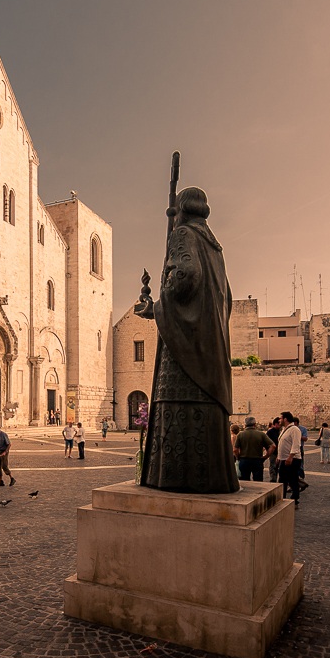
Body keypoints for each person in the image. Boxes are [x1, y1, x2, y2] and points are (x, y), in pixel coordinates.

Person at [134, 187, 239, 494]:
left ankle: (174, 480)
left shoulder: (182, 234)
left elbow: (185, 276)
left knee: (175, 407)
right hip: (209, 346)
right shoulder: (214, 248)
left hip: (183, 352)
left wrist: (158, 305)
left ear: (180, 210)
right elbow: (225, 298)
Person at [233, 417, 273, 481]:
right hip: (257, 460)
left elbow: (235, 449)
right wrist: (265, 457)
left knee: (244, 481)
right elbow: (273, 446)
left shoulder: (240, 434)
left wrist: (238, 457)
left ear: (245, 425)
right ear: (255, 424)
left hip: (244, 460)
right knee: (258, 481)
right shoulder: (261, 434)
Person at [278, 413, 302, 501]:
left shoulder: (294, 429)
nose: (279, 420)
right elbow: (281, 443)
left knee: (292, 479)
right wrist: (279, 457)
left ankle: (295, 499)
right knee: (282, 479)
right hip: (284, 459)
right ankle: (282, 497)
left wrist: (290, 457)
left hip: (292, 459)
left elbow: (296, 444)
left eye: (280, 418)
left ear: (285, 419)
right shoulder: (284, 429)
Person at [0, 422, 15, 486]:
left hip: (3, 452)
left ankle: (11, 478)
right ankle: (1, 480)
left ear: (0, 427)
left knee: (4, 466)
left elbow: (9, 444)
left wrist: (5, 452)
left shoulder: (4, 434)